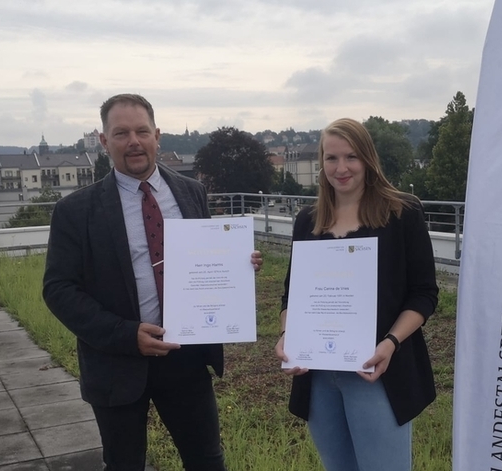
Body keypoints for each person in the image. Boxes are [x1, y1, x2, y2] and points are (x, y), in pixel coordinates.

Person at [43, 93, 262, 471]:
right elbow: (58, 289)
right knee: (125, 464)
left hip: (186, 356)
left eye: (142, 131)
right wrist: (126, 335)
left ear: (157, 135)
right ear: (103, 140)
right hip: (117, 361)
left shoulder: (191, 192)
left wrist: (237, 265)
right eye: (121, 133)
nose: (134, 142)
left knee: (207, 460)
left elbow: (206, 260)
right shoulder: (75, 211)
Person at [274, 118, 438, 471]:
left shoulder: (402, 213)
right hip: (318, 376)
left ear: (368, 159)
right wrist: (289, 336)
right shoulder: (308, 221)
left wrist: (391, 342)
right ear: (321, 163)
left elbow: (424, 294)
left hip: (378, 372)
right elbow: (292, 297)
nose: (341, 168)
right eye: (331, 158)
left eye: (351, 157)